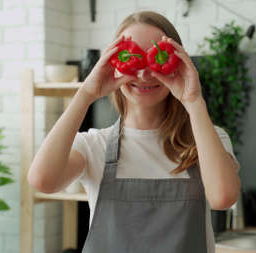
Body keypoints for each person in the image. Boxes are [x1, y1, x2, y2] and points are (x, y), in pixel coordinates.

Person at [28, 10, 241, 253]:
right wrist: (86, 93)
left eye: (157, 59)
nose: (143, 74)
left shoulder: (206, 140)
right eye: (131, 58)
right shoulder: (93, 146)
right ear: (112, 63)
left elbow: (223, 198)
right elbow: (42, 181)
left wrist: (193, 101)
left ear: (178, 64)